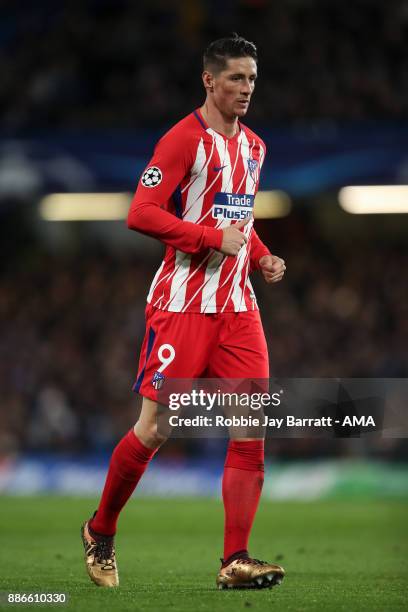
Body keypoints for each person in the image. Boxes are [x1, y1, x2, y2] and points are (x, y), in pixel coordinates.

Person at [81, 33, 286, 590]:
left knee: (251, 429)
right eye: (235, 79)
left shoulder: (255, 148)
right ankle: (100, 530)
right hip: (182, 304)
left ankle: (235, 559)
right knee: (155, 429)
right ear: (209, 81)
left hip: (238, 308)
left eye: (251, 79)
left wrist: (261, 256)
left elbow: (236, 222)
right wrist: (206, 238)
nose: (246, 89)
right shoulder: (180, 141)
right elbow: (141, 214)